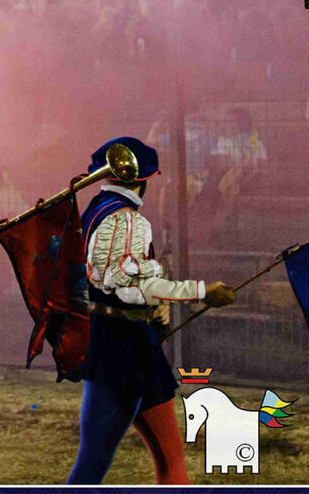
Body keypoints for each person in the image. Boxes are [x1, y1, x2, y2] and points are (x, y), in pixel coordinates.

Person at [66, 136, 236, 485]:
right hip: (121, 348)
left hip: (125, 342)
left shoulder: (96, 208)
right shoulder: (127, 220)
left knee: (168, 461)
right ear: (143, 179)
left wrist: (154, 306)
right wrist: (202, 291)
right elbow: (131, 286)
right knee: (94, 466)